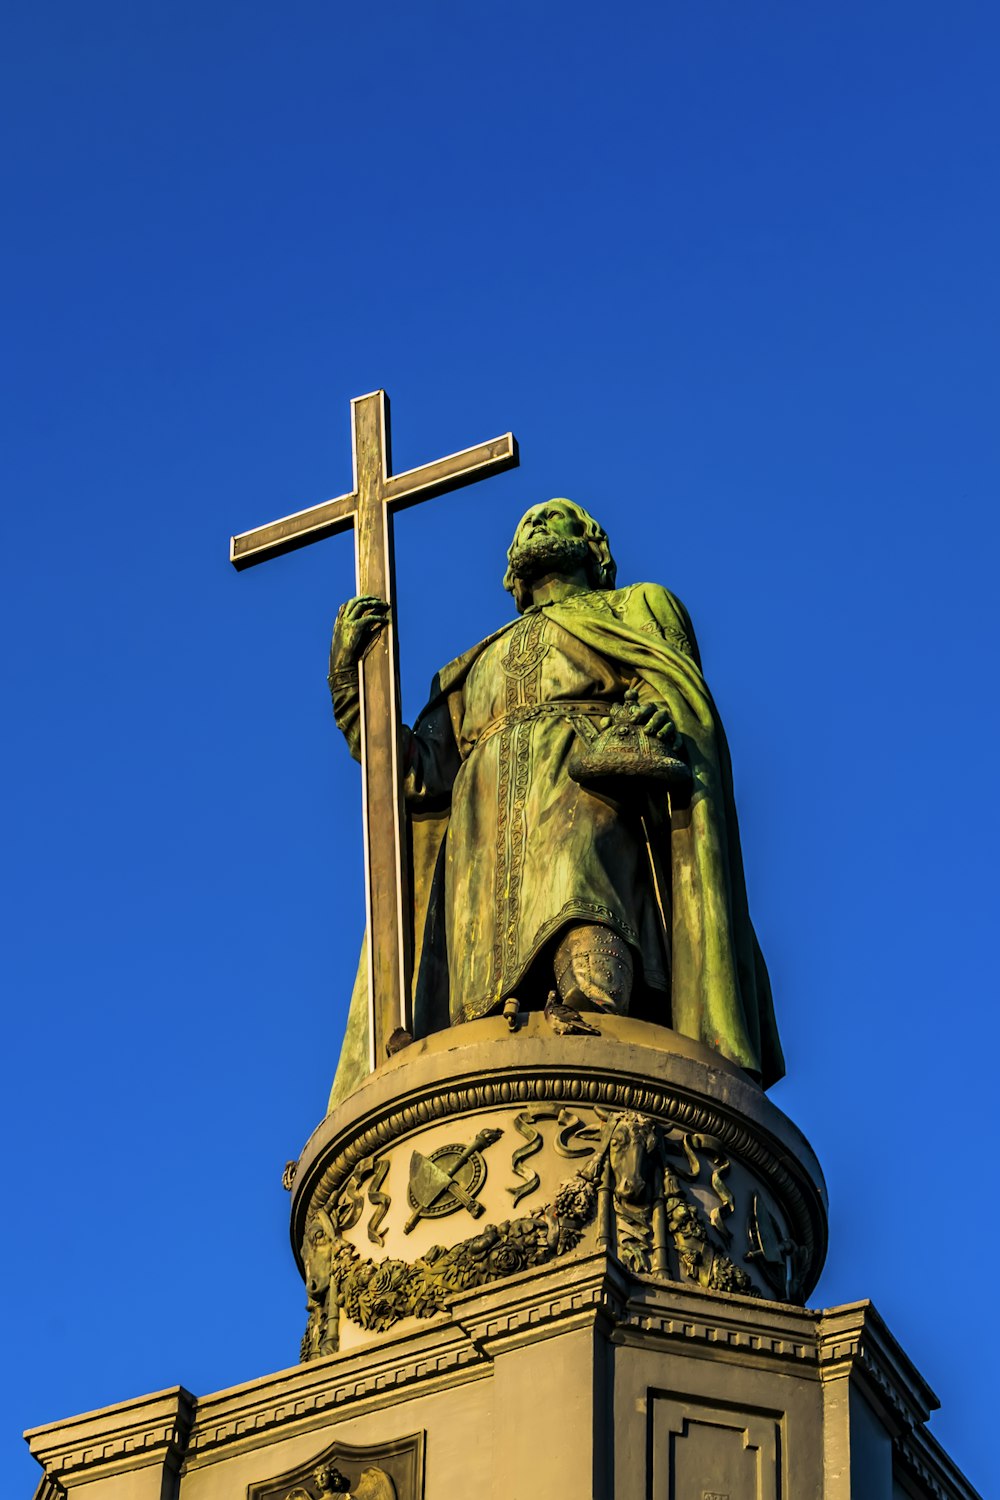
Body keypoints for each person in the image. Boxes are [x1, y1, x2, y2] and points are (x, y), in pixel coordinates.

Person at [327, 500, 783, 1103]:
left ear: (593, 547)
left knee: (583, 909)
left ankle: (596, 1032)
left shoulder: (634, 606)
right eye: (525, 522)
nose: (537, 524)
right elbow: (411, 773)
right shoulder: (467, 671)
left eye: (557, 516)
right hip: (480, 844)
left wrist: (662, 717)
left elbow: (677, 691)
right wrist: (353, 686)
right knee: (475, 1009)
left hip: (588, 793)